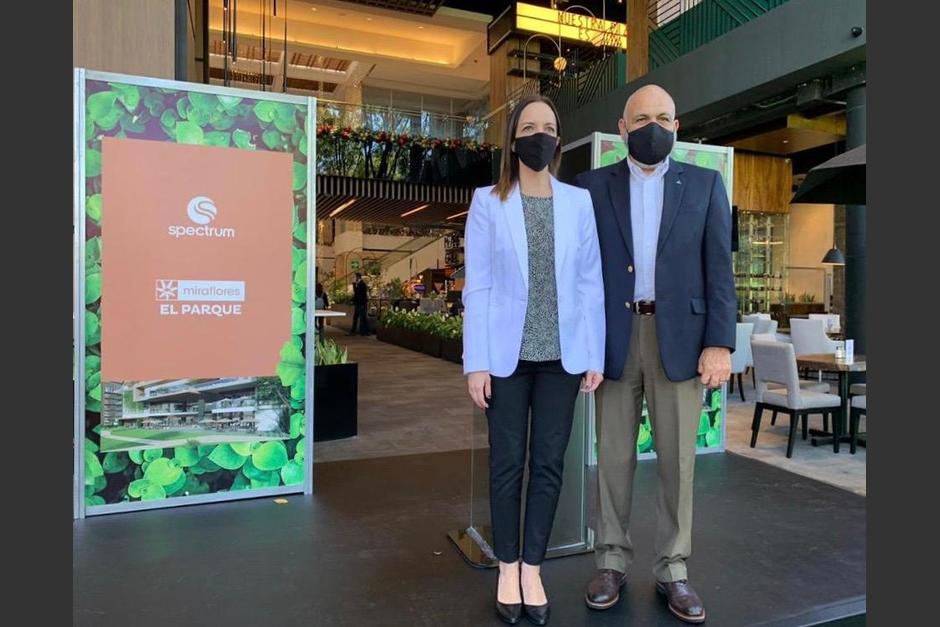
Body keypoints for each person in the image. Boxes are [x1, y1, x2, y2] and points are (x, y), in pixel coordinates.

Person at [575, 84, 735, 624]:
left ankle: (674, 570)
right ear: (622, 128)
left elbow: (720, 271)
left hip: (683, 343)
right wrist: (579, 345)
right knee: (612, 459)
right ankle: (611, 560)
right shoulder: (591, 188)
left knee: (678, 463)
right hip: (614, 340)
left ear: (677, 125)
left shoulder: (708, 185)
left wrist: (719, 342)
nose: (652, 126)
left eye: (663, 117)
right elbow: (580, 276)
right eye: (642, 117)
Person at [462, 94, 605, 626]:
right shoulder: (487, 202)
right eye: (529, 126)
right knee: (506, 464)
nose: (539, 134)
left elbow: (590, 283)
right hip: (505, 357)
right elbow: (476, 287)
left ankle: (533, 567)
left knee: (548, 464)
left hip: (562, 357)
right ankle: (507, 566)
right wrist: (475, 361)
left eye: (549, 126)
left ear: (558, 139)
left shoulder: (577, 202)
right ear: (514, 139)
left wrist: (592, 352)